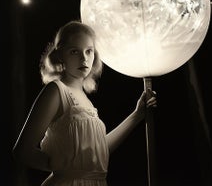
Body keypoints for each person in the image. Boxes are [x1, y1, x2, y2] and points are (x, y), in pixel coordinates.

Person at [12, 20, 157, 186]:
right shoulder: (56, 91)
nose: (84, 58)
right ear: (60, 55)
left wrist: (136, 115)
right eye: (75, 51)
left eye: (89, 51)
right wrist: (62, 167)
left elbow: (98, 153)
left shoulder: (85, 100)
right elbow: (22, 152)